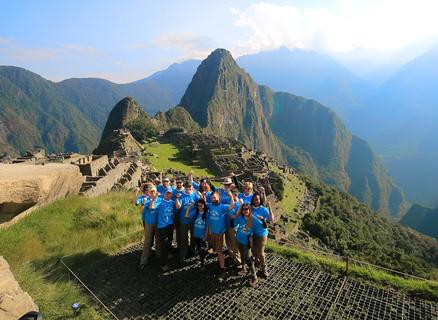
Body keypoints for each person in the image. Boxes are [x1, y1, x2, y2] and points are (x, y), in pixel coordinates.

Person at [206, 191, 235, 282]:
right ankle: (219, 264)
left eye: (214, 197)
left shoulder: (222, 206)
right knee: (214, 249)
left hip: (219, 233)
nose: (213, 199)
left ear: (219, 198)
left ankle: (222, 268)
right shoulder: (210, 205)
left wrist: (231, 197)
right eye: (212, 198)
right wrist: (202, 196)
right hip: (212, 232)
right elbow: (204, 204)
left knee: (219, 251)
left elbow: (231, 207)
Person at [231, 203, 258, 287]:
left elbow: (261, 227)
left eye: (246, 209)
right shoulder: (240, 217)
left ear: (249, 209)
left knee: (248, 259)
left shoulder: (253, 219)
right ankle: (243, 268)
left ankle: (254, 277)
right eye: (243, 209)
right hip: (239, 240)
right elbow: (233, 224)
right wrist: (235, 216)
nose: (245, 211)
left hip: (247, 243)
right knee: (242, 256)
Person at [175, 180, 201, 264]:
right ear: (184, 187)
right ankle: (183, 255)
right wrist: (177, 199)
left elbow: (201, 203)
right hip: (184, 221)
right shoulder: (182, 196)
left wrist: (201, 196)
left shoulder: (195, 195)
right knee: (184, 238)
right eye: (187, 187)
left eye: (190, 187)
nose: (188, 189)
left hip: (193, 220)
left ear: (192, 187)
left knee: (194, 237)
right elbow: (178, 206)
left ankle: (193, 250)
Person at [251, 193, 274, 279]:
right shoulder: (250, 208)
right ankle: (257, 262)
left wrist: (270, 207)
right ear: (252, 200)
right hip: (252, 232)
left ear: (260, 200)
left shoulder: (263, 209)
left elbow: (271, 219)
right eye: (254, 199)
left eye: (258, 199)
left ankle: (264, 268)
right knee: (253, 249)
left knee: (260, 251)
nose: (256, 201)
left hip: (261, 233)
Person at [156, 189, 179, 271]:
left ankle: (167, 256)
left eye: (170, 194)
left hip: (170, 225)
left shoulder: (172, 202)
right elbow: (152, 207)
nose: (168, 195)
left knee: (169, 242)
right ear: (164, 194)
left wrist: (176, 198)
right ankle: (163, 263)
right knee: (164, 244)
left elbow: (177, 207)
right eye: (167, 194)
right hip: (162, 227)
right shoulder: (159, 202)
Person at [139, 183, 162, 269]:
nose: (152, 193)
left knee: (159, 240)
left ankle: (159, 257)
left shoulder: (160, 200)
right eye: (151, 191)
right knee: (147, 241)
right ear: (149, 192)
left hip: (157, 223)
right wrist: (143, 204)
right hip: (149, 223)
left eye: (154, 191)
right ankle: (143, 261)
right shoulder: (147, 200)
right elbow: (147, 209)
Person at [191, 199, 209, 271]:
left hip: (202, 235)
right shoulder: (196, 213)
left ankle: (202, 263)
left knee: (201, 249)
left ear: (204, 205)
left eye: (201, 205)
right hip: (196, 234)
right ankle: (203, 257)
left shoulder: (206, 214)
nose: (199, 207)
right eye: (198, 206)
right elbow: (186, 215)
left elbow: (207, 226)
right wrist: (189, 207)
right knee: (199, 248)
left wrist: (206, 236)